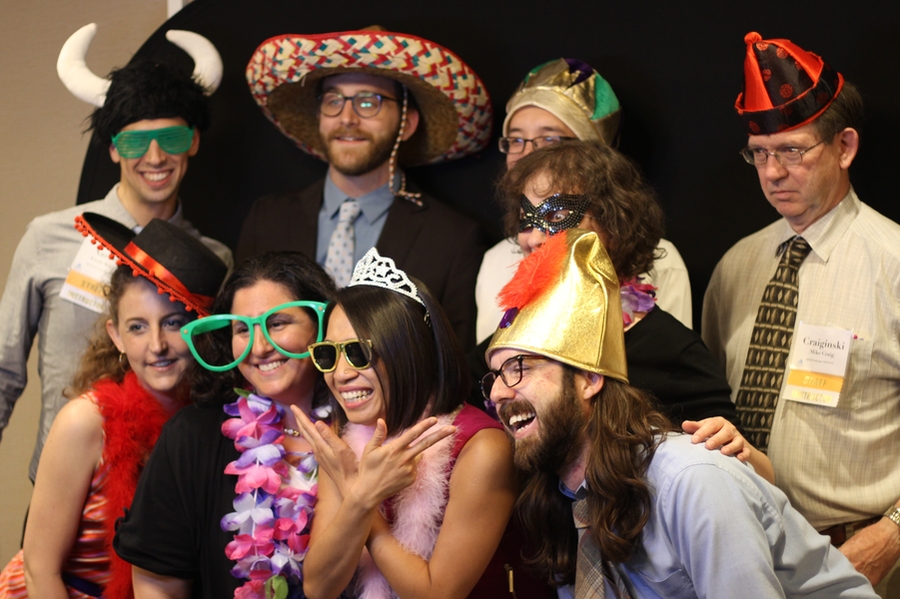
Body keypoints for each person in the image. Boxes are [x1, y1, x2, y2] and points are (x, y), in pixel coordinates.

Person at [484, 227, 877, 598]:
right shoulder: (565, 496)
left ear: (589, 379)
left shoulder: (690, 481)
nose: (499, 392)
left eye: (520, 367)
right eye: (495, 376)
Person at [701, 32, 900, 596]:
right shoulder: (736, 267)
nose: (772, 173)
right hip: (743, 553)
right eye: (759, 154)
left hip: (860, 555)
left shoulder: (894, 265)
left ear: (845, 147)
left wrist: (890, 536)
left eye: (792, 151)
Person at [0, 23, 233, 481]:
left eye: (171, 140)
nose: (154, 157)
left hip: (171, 489)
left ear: (194, 143)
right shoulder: (49, 236)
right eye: (133, 142)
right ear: (111, 149)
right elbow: (3, 368)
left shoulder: (214, 260)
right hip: (64, 486)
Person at [471, 140, 771, 480]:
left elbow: (751, 475)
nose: (535, 238)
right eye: (526, 220)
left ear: (613, 225)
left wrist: (738, 452)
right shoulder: (506, 347)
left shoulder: (670, 349)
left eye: (556, 216)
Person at [0, 213, 228, 599]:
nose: (156, 345)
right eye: (137, 327)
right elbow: (40, 570)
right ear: (116, 336)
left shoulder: (206, 424)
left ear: (199, 332)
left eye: (172, 323)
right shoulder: (86, 423)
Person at [237, 27, 491, 348]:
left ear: (407, 122)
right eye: (333, 101)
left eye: (368, 102)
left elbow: (455, 366)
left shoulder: (452, 239)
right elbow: (239, 331)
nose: (347, 118)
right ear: (319, 116)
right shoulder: (268, 219)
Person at [293, 248, 520, 599]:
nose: (340, 374)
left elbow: (436, 594)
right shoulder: (346, 444)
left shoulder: (482, 447)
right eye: (328, 354)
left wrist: (359, 493)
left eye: (358, 353)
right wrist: (361, 495)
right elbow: (319, 587)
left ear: (407, 352)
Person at [114, 251, 336, 598]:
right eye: (241, 329)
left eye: (277, 323)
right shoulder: (191, 437)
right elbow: (158, 582)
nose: (260, 347)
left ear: (322, 325)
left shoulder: (365, 431)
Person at [475, 58, 692, 343]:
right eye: (516, 140)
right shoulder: (496, 260)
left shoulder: (659, 261)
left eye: (550, 140)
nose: (527, 154)